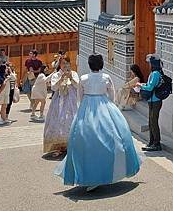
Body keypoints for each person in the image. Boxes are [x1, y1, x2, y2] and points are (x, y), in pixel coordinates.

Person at [54, 54, 141, 192]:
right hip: (104, 103)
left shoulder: (83, 78)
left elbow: (79, 97)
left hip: (87, 105)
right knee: (115, 136)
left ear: (89, 64)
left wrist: (83, 107)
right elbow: (111, 95)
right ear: (101, 64)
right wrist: (110, 107)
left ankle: (88, 173)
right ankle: (110, 170)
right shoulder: (106, 77)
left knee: (83, 138)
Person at [43, 57, 79, 157]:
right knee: (58, 121)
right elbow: (54, 87)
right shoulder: (56, 75)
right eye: (63, 63)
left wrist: (70, 77)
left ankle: (70, 145)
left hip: (72, 100)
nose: (65, 65)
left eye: (67, 63)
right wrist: (61, 78)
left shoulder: (74, 73)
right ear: (60, 64)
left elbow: (78, 86)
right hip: (59, 100)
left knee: (70, 120)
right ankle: (58, 146)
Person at [140, 55, 164, 152]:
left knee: (153, 122)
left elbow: (150, 88)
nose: (149, 64)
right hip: (152, 100)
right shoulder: (155, 73)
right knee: (151, 122)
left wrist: (141, 86)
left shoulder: (155, 74)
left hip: (155, 100)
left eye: (150, 63)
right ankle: (151, 142)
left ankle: (156, 143)